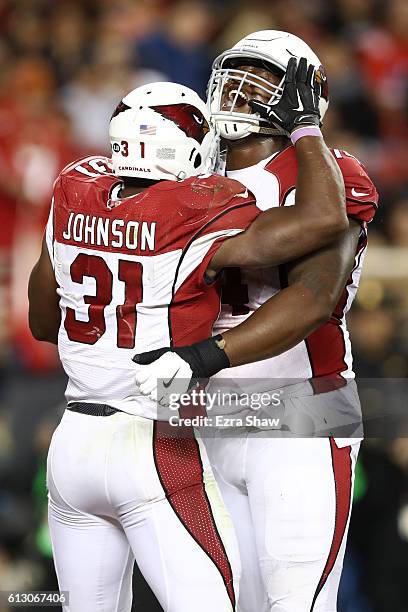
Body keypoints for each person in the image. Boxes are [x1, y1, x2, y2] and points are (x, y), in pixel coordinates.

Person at [28, 75, 346, 612]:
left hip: (72, 442)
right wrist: (306, 128)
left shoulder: (73, 185)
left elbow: (42, 322)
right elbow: (320, 220)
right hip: (150, 440)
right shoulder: (199, 205)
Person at [134, 32, 379, 612]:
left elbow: (315, 296)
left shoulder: (331, 172)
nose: (242, 89)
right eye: (236, 71)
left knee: (294, 604)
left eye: (263, 76)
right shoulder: (190, 165)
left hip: (299, 410)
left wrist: (202, 356)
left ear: (305, 95)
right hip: (202, 413)